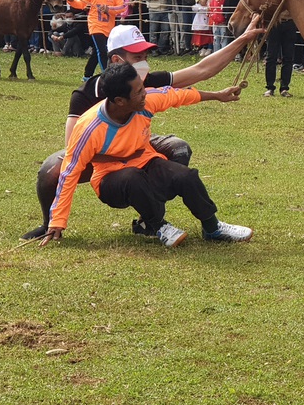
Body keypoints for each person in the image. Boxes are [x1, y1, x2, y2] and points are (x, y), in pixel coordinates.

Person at [20, 17, 264, 241]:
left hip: (139, 147)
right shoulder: (86, 105)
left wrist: (241, 44)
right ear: (117, 61)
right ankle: (51, 224)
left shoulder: (143, 88)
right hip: (98, 161)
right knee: (54, 169)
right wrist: (59, 219)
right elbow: (73, 160)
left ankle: (208, 226)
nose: (145, 64)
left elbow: (189, 83)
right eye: (137, 57)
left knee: (181, 162)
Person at [43, 62, 253, 248]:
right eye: (138, 92)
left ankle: (212, 228)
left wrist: (217, 96)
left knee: (186, 177)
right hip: (110, 180)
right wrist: (57, 222)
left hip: (146, 161)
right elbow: (69, 172)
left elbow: (177, 95)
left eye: (142, 88)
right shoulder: (89, 128)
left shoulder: (145, 101)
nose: (145, 93)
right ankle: (157, 226)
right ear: (120, 101)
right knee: (132, 177)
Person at [68, 0, 126, 79]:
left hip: (109, 27)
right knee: (103, 51)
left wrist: (108, 9)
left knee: (97, 51)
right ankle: (107, 76)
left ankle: (87, 75)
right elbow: (82, 4)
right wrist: (72, 1)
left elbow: (121, 8)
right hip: (95, 25)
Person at [263, 6, 298, 98]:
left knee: (288, 57)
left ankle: (284, 88)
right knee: (271, 57)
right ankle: (270, 87)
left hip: (290, 22)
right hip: (275, 23)